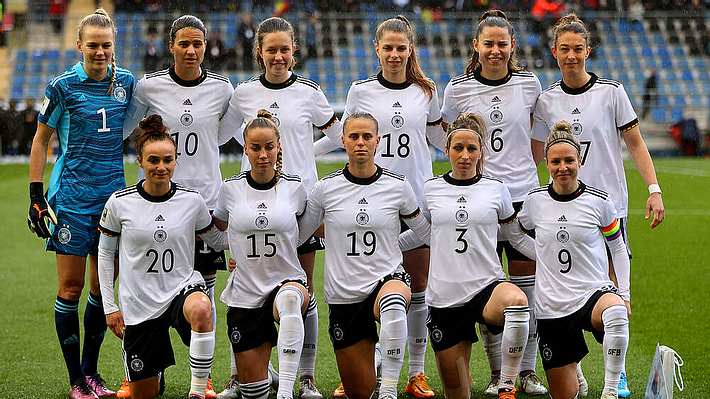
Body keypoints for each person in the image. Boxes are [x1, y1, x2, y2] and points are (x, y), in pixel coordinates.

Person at [532, 14, 664, 397]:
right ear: (554, 52)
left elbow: (636, 144)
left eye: (578, 49)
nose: (571, 56)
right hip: (563, 210)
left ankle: (615, 374)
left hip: (608, 210)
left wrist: (653, 188)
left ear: (588, 50)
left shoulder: (611, 92)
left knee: (615, 293)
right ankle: (574, 367)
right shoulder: (547, 100)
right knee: (563, 288)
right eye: (565, 49)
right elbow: (538, 154)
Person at [313, 16, 444, 398]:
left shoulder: (426, 90)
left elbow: (439, 135)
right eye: (388, 47)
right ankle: (363, 370)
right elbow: (343, 137)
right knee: (366, 289)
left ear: (410, 50)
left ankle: (415, 373)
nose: (394, 54)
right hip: (367, 201)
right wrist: (302, 152)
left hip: (412, 202)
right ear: (377, 49)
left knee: (416, 289)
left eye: (401, 48)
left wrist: (473, 149)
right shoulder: (361, 91)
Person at [218, 16, 342, 399]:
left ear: (294, 52)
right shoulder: (242, 94)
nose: (278, 56)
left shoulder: (309, 92)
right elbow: (218, 135)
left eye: (284, 49)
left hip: (297, 203)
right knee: (246, 289)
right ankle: (250, 373)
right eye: (270, 49)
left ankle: (304, 377)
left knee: (300, 289)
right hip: (250, 204)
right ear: (260, 53)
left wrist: (305, 150)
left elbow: (336, 134)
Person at [123, 14, 234, 398]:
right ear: (171, 45)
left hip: (203, 205)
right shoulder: (149, 87)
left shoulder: (222, 89)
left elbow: (221, 135)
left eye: (198, 43)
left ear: (206, 46)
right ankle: (141, 368)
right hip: (156, 201)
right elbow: (129, 131)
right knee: (148, 284)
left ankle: (202, 379)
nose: (191, 50)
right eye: (184, 43)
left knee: (201, 294)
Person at [26, 9, 134, 399]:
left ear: (113, 46)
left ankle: (92, 373)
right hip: (72, 199)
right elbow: (40, 140)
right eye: (93, 45)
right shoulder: (62, 86)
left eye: (106, 45)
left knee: (102, 292)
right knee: (69, 289)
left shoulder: (126, 83)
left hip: (115, 202)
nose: (100, 51)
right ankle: (75, 380)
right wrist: (36, 195)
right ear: (79, 46)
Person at [440, 10, 547, 396]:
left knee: (526, 289)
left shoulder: (530, 84)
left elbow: (539, 132)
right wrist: (468, 163)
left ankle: (528, 371)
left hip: (521, 199)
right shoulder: (458, 88)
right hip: (478, 199)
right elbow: (444, 131)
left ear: (513, 46)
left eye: (503, 43)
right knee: (486, 287)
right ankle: (497, 373)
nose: (496, 50)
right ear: (476, 46)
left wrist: (524, 165)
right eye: (489, 43)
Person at [397, 112, 536, 399]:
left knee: (518, 301)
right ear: (446, 150)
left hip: (487, 287)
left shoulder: (496, 189)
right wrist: (389, 249)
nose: (464, 155)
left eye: (471, 148)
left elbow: (515, 236)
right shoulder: (430, 188)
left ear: (481, 152)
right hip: (446, 298)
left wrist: (549, 255)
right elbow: (422, 233)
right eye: (458, 148)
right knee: (457, 391)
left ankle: (507, 384)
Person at [298, 112, 431, 399]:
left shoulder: (398, 186)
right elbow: (298, 236)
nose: (360, 142)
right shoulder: (324, 189)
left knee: (394, 303)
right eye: (354, 136)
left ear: (378, 142)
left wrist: (395, 245)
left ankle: (389, 391)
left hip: (387, 280)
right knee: (359, 391)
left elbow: (425, 232)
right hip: (344, 295)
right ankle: (376, 371)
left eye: (367, 136)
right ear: (343, 141)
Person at [98, 115, 223, 399]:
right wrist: (110, 307)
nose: (161, 167)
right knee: (146, 393)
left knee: (203, 308)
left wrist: (245, 243)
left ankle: (198, 390)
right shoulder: (120, 203)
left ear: (176, 160)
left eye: (168, 160)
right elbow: (105, 254)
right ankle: (149, 376)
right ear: (140, 161)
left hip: (181, 290)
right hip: (139, 303)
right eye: (153, 160)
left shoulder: (192, 201)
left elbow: (216, 239)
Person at [518, 121, 631, 399]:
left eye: (569, 160)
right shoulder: (534, 201)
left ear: (579, 160)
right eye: (556, 161)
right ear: (546, 162)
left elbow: (618, 248)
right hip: (551, 307)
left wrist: (624, 293)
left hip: (592, 293)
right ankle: (575, 370)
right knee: (566, 395)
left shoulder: (600, 201)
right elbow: (517, 234)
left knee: (615, 312)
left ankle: (610, 390)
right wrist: (542, 256)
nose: (563, 167)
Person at [211, 110, 310, 399]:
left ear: (279, 147)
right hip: (246, 292)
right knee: (254, 392)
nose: (263, 154)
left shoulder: (295, 188)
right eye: (256, 147)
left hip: (286, 282)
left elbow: (307, 233)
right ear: (246, 149)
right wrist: (236, 251)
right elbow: (218, 233)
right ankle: (268, 378)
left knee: (291, 301)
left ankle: (288, 392)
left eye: (269, 146)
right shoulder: (230, 189)